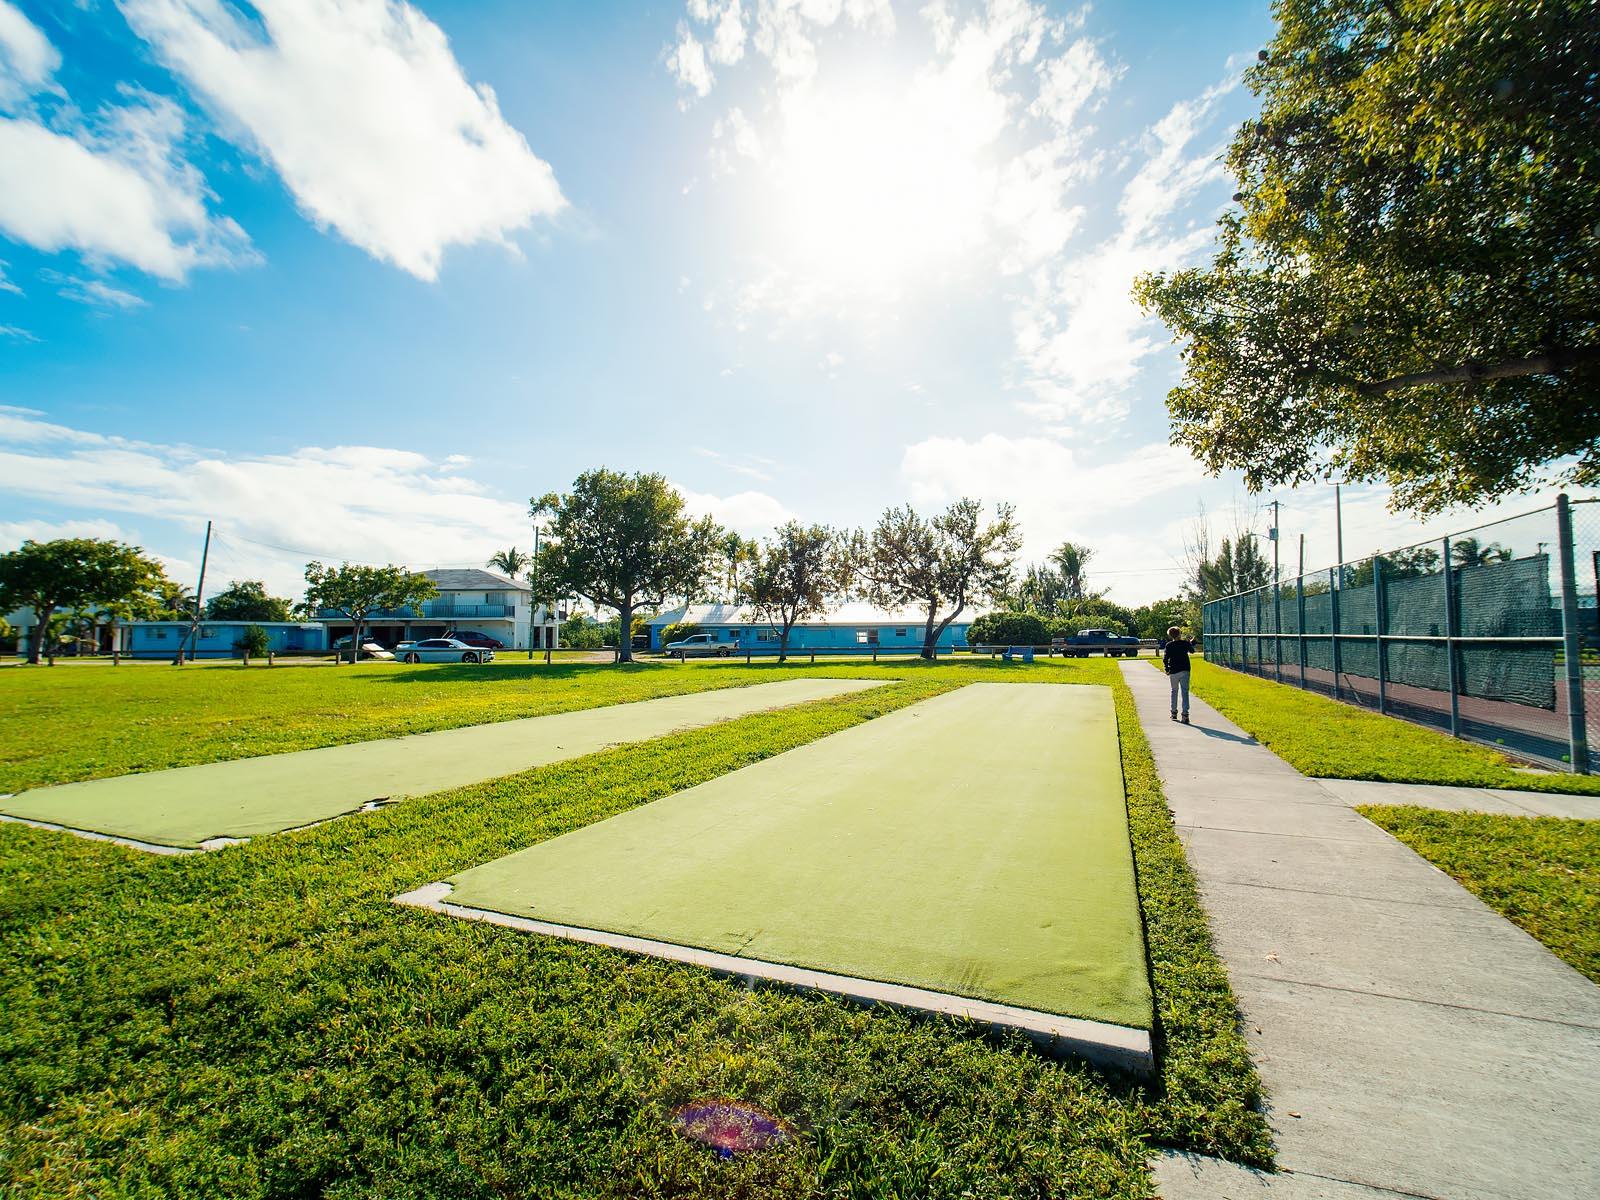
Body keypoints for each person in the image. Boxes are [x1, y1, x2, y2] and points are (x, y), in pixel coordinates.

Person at [1161, 625, 1196, 723]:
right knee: (1185, 692)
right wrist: (1191, 643)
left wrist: (1167, 669)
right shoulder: (1185, 643)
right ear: (1179, 634)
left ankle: (1173, 712)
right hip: (1185, 670)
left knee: (1174, 691)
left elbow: (1165, 659)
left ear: (1170, 635)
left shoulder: (1169, 645)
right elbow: (1192, 651)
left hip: (1173, 671)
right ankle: (1185, 715)